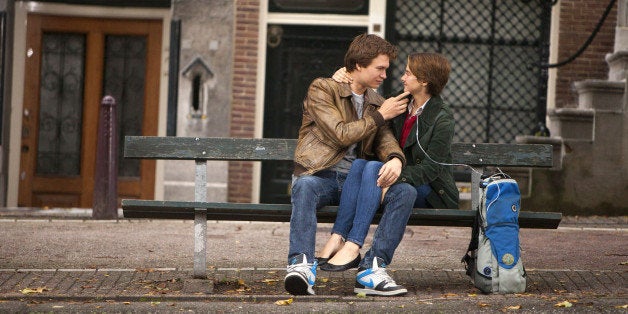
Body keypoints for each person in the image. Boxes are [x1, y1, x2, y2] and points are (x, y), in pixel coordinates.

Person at [285, 34, 417, 297]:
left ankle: (372, 269)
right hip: (323, 176)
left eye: (386, 69)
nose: (384, 75)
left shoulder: (378, 102)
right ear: (358, 65)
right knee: (305, 186)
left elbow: (386, 140)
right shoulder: (323, 89)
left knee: (405, 193)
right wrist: (381, 116)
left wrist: (394, 158)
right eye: (379, 68)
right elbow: (340, 133)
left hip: (359, 182)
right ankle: (301, 265)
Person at [318, 52, 459, 281]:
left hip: (431, 189)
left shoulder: (442, 118)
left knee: (389, 179)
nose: (402, 78)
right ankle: (340, 239)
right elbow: (367, 103)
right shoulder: (400, 102)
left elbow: (431, 169)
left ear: (424, 81)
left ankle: (353, 245)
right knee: (362, 165)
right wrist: (344, 78)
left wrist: (395, 177)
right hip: (397, 182)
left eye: (408, 73)